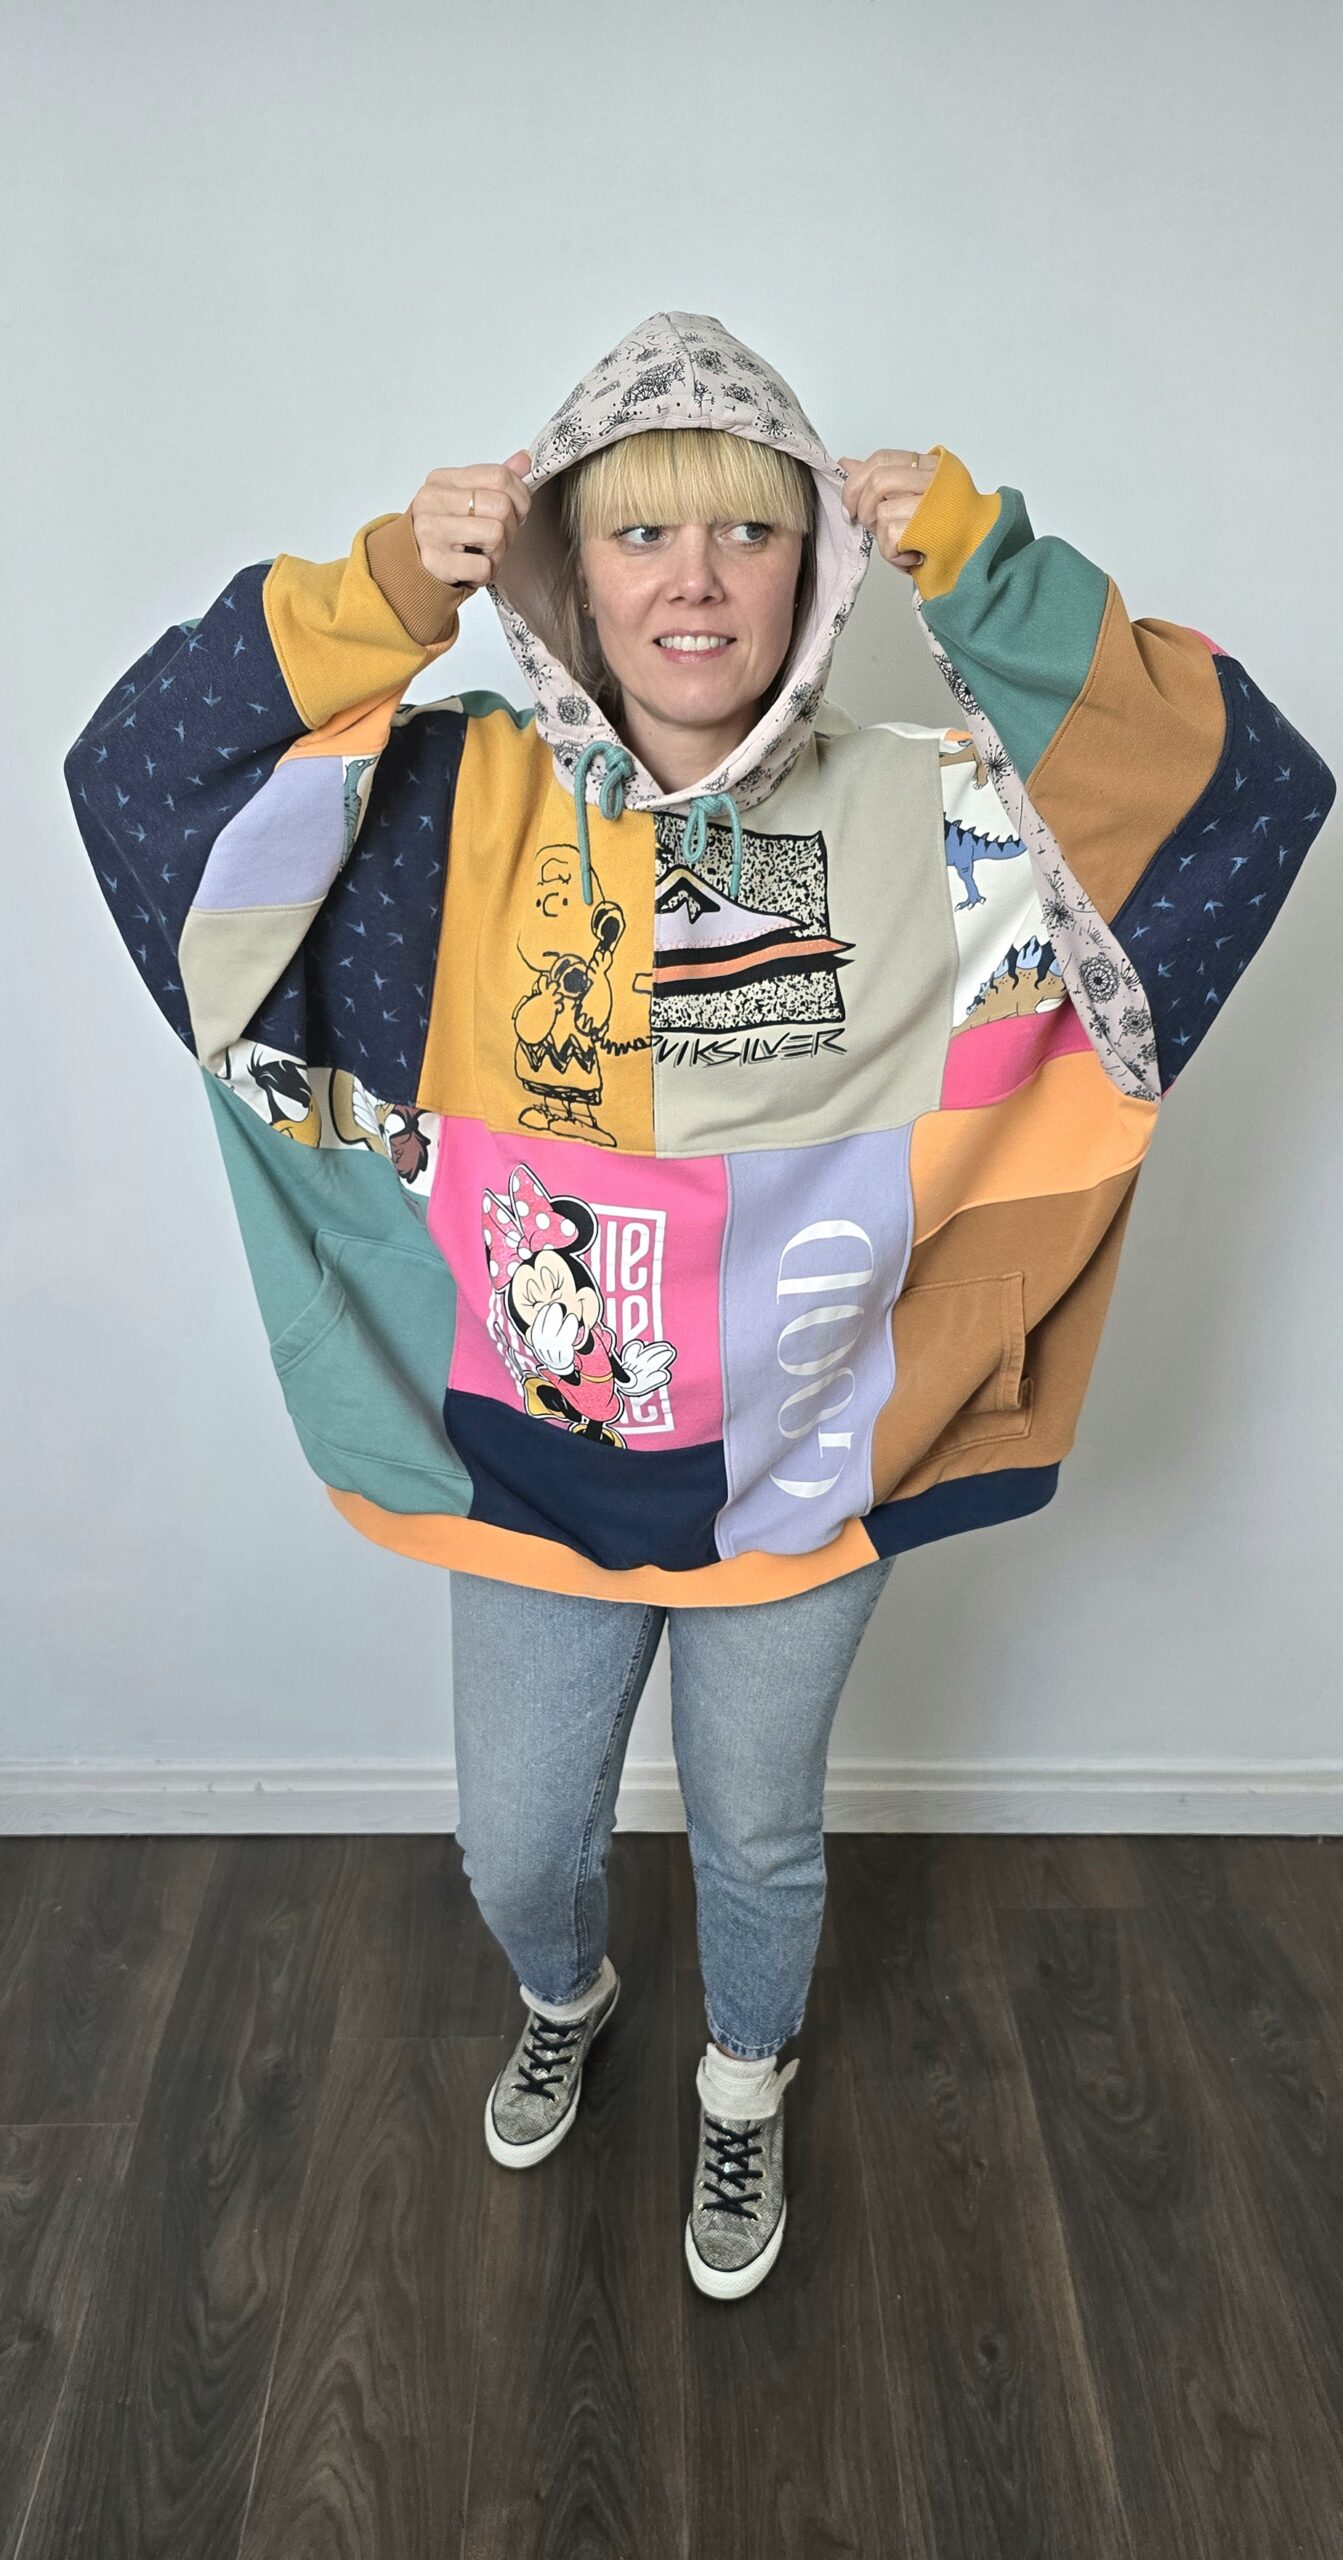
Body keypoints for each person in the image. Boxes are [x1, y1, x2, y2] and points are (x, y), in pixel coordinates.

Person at [63, 311, 1336, 2304]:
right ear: (566, 568)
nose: (694, 581)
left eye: (747, 530)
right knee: (514, 1840)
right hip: (533, 1458)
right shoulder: (449, 810)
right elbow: (146, 780)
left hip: (812, 1456)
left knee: (757, 1831)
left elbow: (1237, 791)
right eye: (640, 530)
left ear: (812, 567)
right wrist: (387, 584)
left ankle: (747, 2075)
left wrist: (990, 568)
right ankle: (566, 1995)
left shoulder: (939, 816)